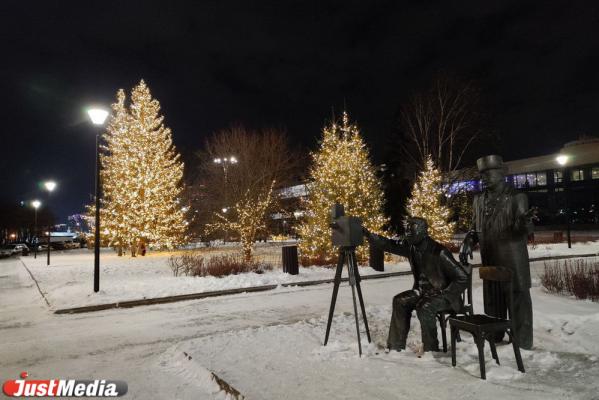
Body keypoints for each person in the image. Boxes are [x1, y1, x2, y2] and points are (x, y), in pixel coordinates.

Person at [459, 155, 534, 349]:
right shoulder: (478, 200)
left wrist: (524, 222)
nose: (483, 178)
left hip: (512, 258)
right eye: (482, 174)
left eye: (488, 173)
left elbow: (521, 230)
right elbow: (474, 228)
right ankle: (495, 335)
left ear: (501, 174)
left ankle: (522, 341)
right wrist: (468, 240)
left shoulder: (517, 197)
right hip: (489, 256)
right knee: (493, 299)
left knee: (517, 299)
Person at [367, 218, 468, 352]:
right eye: (407, 229)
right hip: (421, 292)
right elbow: (389, 244)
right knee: (399, 301)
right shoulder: (411, 247)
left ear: (422, 232)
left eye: (411, 229)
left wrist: (446, 294)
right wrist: (368, 235)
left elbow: (462, 277)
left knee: (425, 306)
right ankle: (396, 346)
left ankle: (431, 349)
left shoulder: (439, 252)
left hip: (443, 295)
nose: (407, 232)